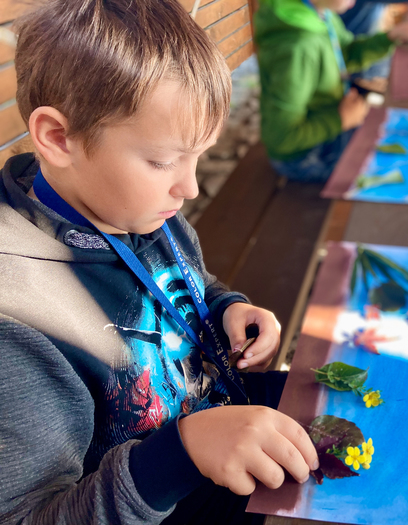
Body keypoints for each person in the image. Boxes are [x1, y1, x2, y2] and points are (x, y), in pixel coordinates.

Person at [0, 1, 318, 524]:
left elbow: (187, 283)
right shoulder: (19, 322)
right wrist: (181, 453)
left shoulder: (136, 208)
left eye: (198, 157)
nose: (189, 187)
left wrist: (225, 308)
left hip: (217, 412)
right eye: (163, 161)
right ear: (58, 138)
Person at [254, 0, 408, 182]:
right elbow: (281, 138)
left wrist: (392, 36)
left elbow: (345, 54)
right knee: (407, 165)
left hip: (330, 123)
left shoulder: (318, 12)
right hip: (307, 154)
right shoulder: (298, 47)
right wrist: (341, 119)